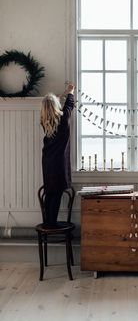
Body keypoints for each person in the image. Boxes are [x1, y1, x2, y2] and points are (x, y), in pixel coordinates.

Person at [40, 82, 76, 227]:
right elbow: (69, 106)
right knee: (57, 192)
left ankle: (48, 221)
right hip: (58, 162)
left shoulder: (45, 120)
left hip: (47, 160)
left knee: (50, 191)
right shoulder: (62, 120)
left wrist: (62, 94)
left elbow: (55, 106)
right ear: (56, 106)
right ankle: (52, 223)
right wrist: (71, 91)